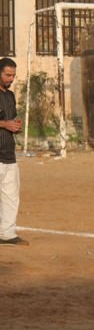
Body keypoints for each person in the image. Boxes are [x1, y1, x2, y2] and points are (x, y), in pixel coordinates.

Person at [0, 58, 28, 246]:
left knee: (11, 196)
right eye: (7, 75)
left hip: (8, 153)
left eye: (13, 76)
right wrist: (4, 124)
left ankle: (7, 234)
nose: (10, 79)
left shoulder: (10, 96)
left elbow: (11, 119)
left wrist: (15, 125)